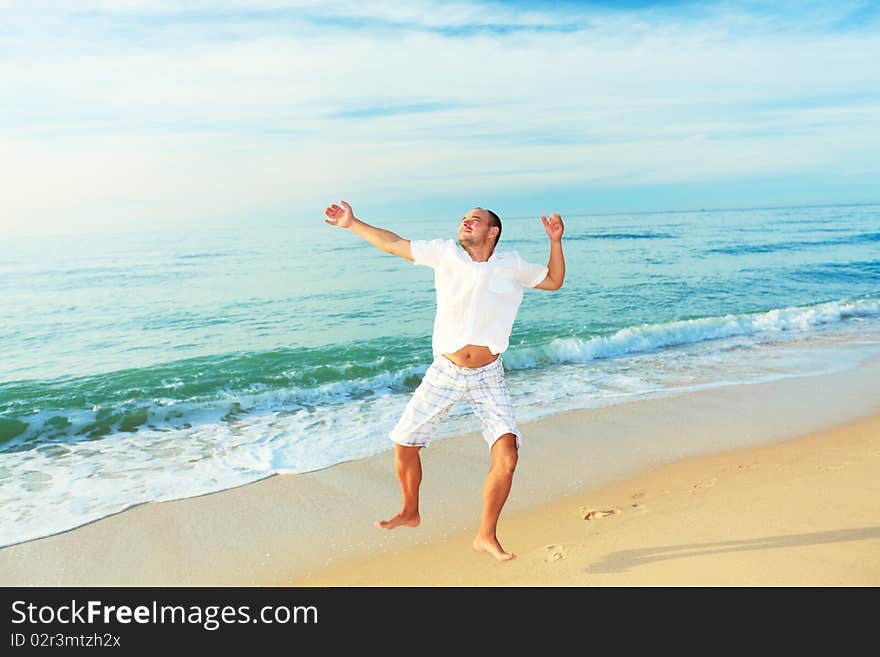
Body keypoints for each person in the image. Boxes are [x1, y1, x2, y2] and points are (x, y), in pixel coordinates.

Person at [323, 200, 565, 561]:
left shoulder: (511, 265)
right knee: (404, 444)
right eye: (464, 219)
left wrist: (556, 241)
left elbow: (554, 281)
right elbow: (393, 244)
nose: (466, 222)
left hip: (488, 375)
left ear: (492, 231)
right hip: (446, 372)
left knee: (508, 457)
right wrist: (352, 223)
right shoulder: (445, 253)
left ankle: (486, 535)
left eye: (475, 219)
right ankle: (410, 510)